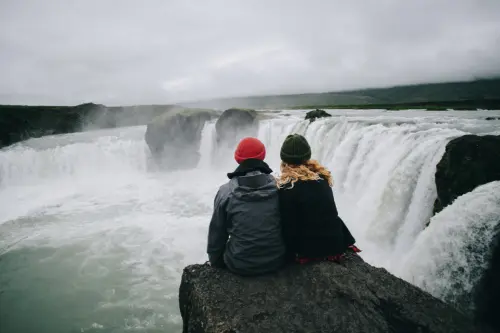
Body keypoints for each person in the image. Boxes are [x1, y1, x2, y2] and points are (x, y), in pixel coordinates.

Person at [206, 137, 286, 275]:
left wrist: (216, 262)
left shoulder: (226, 192)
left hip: (239, 263)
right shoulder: (280, 188)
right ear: (263, 156)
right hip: (277, 260)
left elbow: (217, 235)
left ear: (237, 159)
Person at [276, 133, 360, 264]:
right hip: (336, 243)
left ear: (284, 160)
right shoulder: (322, 177)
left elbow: (289, 227)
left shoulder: (287, 188)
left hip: (311, 249)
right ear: (307, 156)